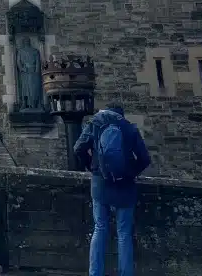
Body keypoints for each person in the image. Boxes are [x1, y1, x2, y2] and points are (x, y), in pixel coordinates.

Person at [73, 104, 151, 276]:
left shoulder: (95, 124)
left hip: (100, 184)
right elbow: (145, 158)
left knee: (100, 228)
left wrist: (91, 166)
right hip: (125, 186)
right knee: (124, 233)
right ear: (121, 115)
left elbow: (78, 148)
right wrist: (129, 173)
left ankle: (95, 273)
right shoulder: (129, 128)